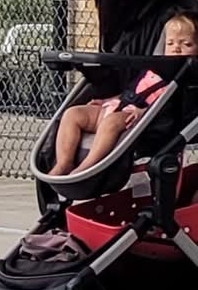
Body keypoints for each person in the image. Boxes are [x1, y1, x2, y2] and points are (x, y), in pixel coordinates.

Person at [49, 11, 195, 175]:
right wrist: (107, 101)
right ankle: (64, 163)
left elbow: (170, 108)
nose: (176, 48)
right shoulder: (152, 69)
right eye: (170, 43)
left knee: (111, 123)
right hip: (117, 106)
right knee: (72, 114)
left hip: (139, 118)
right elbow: (131, 91)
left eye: (186, 45)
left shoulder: (182, 79)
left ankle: (88, 166)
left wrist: (144, 112)